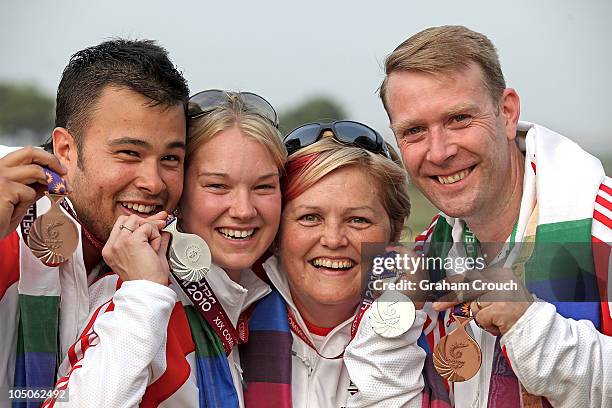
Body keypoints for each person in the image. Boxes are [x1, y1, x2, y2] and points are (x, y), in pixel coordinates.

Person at [364, 25, 612, 407]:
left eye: (459, 119)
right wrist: (392, 313)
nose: (439, 151)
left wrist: (528, 323)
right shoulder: (427, 251)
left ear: (507, 111)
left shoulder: (602, 225)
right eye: (414, 131)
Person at [43, 90, 287, 407]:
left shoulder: (272, 295)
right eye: (217, 186)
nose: (243, 210)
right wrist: (145, 296)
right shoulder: (133, 296)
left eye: (264, 186)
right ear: (180, 195)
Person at [0, 39, 188, 407]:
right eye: (129, 153)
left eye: (170, 158)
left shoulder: (183, 273)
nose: (154, 182)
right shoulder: (6, 236)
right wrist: (145, 297)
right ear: (66, 151)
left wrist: (147, 293)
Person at [238, 122, 426, 407]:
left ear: (395, 229)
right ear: (277, 229)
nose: (334, 239)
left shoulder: (438, 322)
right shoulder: (226, 317)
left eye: (358, 220)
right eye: (310, 217)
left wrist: (394, 324)